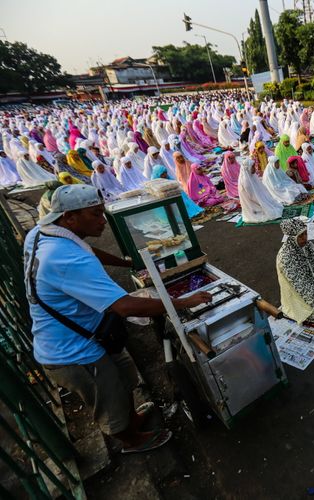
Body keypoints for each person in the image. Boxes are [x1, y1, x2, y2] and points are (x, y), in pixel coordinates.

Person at [23, 184, 211, 453]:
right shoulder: (63, 258)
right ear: (70, 217)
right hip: (73, 351)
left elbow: (88, 251)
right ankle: (130, 440)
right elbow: (124, 306)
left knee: (123, 377)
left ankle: (131, 418)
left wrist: (130, 263)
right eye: (96, 214)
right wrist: (184, 302)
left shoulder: (44, 233)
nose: (103, 221)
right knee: (109, 397)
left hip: (91, 333)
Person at [238, 157, 283, 223]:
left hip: (258, 198)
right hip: (253, 204)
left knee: (274, 205)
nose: (255, 169)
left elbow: (260, 189)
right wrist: (264, 201)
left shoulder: (251, 176)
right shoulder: (245, 181)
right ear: (247, 168)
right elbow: (253, 197)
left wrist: (266, 198)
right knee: (272, 212)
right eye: (253, 167)